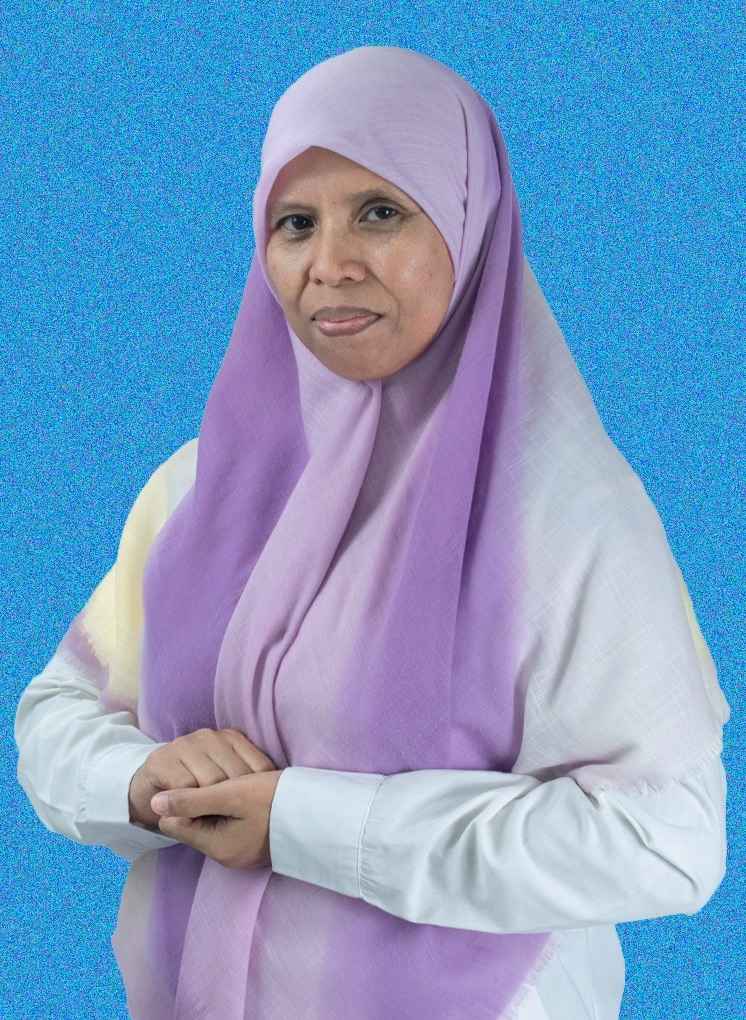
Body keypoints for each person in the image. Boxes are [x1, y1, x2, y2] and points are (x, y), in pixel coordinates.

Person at [14, 45, 730, 1020]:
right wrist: (138, 780)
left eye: (381, 212)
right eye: (295, 224)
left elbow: (664, 842)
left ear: (468, 225)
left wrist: (305, 823)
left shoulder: (564, 520)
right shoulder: (204, 483)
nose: (330, 264)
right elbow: (58, 708)